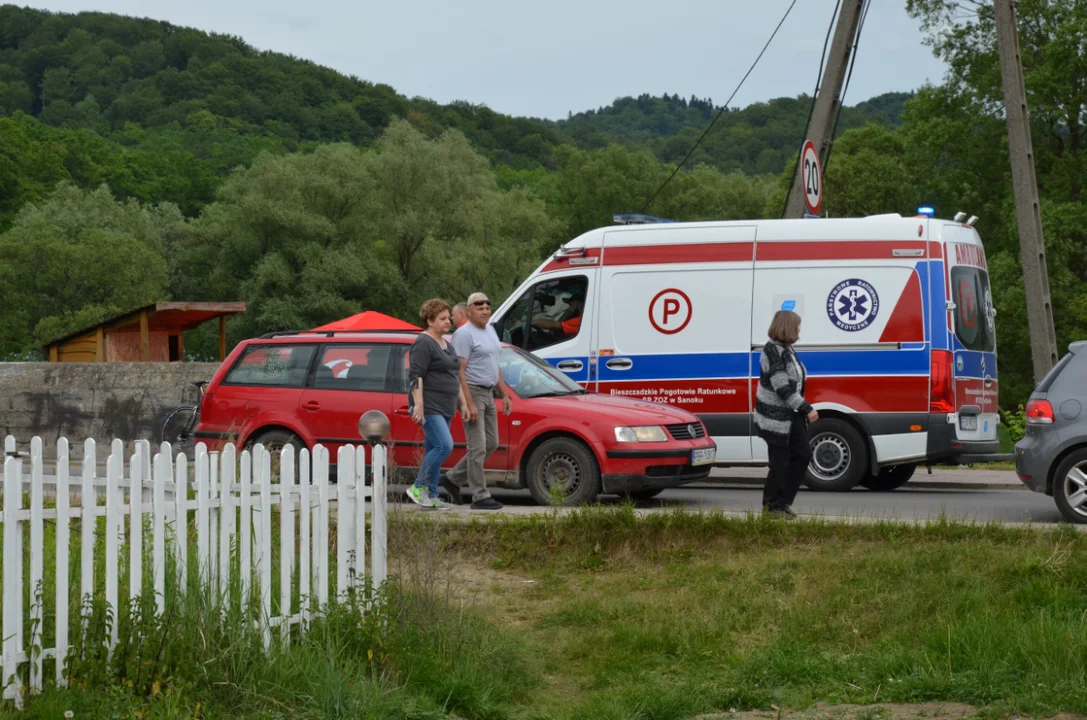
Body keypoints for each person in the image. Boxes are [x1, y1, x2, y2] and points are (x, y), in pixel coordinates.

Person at [446, 292, 513, 510]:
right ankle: (480, 496)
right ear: (468, 311)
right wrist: (468, 403)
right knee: (478, 447)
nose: (485, 310)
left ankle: (452, 478)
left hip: (489, 392)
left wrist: (504, 394)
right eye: (479, 306)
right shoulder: (464, 335)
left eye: (487, 306)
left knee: (491, 443)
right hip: (472, 392)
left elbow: (495, 364)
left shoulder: (491, 330)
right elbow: (459, 371)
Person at [754, 310, 818, 519]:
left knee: (803, 455)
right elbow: (782, 388)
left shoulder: (788, 349)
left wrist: (799, 407)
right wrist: (807, 408)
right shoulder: (772, 350)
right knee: (780, 463)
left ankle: (783, 502)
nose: (799, 330)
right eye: (797, 326)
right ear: (788, 327)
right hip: (776, 417)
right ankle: (771, 506)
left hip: (792, 414)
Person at [406, 299, 469, 510]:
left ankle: (431, 495)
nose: (448, 321)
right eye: (442, 318)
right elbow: (416, 376)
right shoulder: (423, 343)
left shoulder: (446, 344)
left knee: (434, 448)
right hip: (429, 406)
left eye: (448, 317)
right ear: (430, 320)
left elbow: (454, 376)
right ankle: (417, 486)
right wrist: (419, 405)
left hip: (446, 406)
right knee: (444, 445)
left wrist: (463, 405)